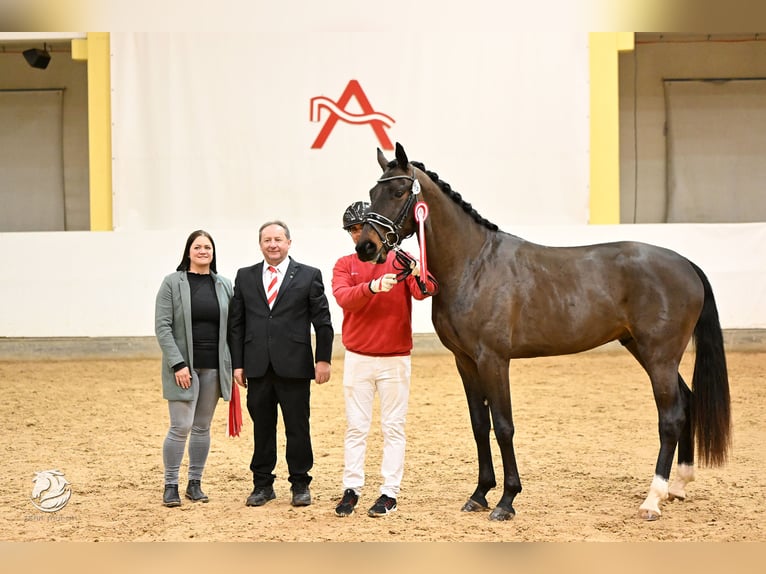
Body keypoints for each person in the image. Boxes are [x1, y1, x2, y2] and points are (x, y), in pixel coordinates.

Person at [331, 201, 438, 517]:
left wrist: (420, 270)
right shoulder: (344, 264)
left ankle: (389, 492)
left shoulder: (400, 259)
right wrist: (372, 287)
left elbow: (426, 289)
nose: (357, 233)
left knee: (393, 427)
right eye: (352, 229)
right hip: (357, 357)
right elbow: (344, 298)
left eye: (362, 226)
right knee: (356, 427)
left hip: (395, 358)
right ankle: (351, 489)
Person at [228, 220, 334, 508]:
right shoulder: (245, 276)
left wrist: (322, 359)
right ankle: (262, 485)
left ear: (289, 242)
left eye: (278, 239)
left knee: (297, 427)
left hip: (295, 366)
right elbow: (236, 324)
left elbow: (323, 322)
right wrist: (238, 363)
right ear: (260, 244)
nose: (272, 244)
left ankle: (300, 483)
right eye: (267, 240)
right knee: (262, 428)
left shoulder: (309, 275)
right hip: (257, 367)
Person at [154, 229, 234, 508]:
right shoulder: (171, 283)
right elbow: (162, 327)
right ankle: (171, 484)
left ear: (213, 253)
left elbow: (233, 328)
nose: (203, 251)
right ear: (188, 251)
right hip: (183, 369)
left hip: (214, 367)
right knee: (180, 426)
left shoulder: (225, 285)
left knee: (202, 427)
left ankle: (195, 483)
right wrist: (178, 363)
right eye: (197, 247)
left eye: (207, 247)